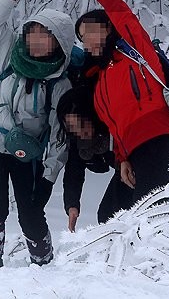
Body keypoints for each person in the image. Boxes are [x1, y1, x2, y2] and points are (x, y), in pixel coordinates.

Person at [56, 0, 169, 214]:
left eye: (93, 30)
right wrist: (122, 159)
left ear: (110, 28)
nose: (88, 39)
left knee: (152, 215)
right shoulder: (100, 80)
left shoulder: (136, 53)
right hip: (132, 153)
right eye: (83, 37)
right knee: (109, 214)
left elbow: (114, 2)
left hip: (159, 141)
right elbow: (116, 125)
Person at [0, 0, 75, 268]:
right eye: (33, 33)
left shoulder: (60, 83)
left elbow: (60, 136)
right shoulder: (10, 55)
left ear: (59, 43)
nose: (36, 41)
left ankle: (44, 266)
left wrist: (48, 177)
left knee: (30, 212)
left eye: (45, 36)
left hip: (25, 154)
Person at [56, 86, 130, 230]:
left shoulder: (114, 125)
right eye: (72, 128)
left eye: (82, 125)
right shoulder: (78, 141)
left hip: (137, 164)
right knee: (106, 217)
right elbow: (73, 173)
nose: (79, 132)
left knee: (114, 215)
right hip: (121, 172)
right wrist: (72, 206)